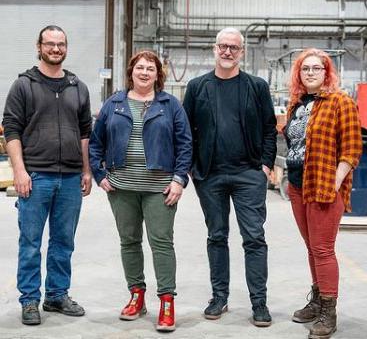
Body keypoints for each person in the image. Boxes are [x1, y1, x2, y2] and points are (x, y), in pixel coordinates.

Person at [89, 50, 192, 332]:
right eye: (140, 68)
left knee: (161, 242)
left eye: (151, 69)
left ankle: (167, 302)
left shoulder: (170, 105)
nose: (145, 72)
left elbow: (185, 144)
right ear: (131, 72)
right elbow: (96, 143)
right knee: (129, 241)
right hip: (122, 187)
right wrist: (100, 175)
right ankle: (137, 295)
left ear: (158, 75)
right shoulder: (114, 103)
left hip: (159, 189)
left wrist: (179, 179)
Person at [183, 27, 277, 327]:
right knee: (217, 237)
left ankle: (259, 303)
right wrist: (192, 168)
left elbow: (268, 129)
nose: (227, 51)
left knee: (254, 238)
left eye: (233, 47)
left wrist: (264, 166)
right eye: (223, 46)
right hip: (210, 175)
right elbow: (185, 131)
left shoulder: (257, 86)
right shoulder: (197, 87)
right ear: (214, 49)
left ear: (242, 52)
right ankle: (219, 297)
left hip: (249, 173)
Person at [2, 25, 92, 325]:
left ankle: (56, 294)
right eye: (50, 44)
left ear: (66, 48)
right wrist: (20, 171)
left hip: (69, 177)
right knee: (30, 242)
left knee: (63, 241)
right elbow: (11, 130)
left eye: (61, 44)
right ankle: (29, 300)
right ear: (39, 46)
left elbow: (84, 133)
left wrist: (86, 170)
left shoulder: (77, 86)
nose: (56, 49)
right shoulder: (23, 86)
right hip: (36, 177)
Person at [284, 48, 362, 339]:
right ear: (299, 74)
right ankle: (317, 300)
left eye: (317, 68)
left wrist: (335, 181)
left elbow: (352, 147)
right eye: (306, 69)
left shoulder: (340, 101)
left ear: (327, 72)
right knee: (311, 248)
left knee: (323, 249)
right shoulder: (297, 104)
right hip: (296, 185)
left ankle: (329, 310)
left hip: (322, 186)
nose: (311, 73)